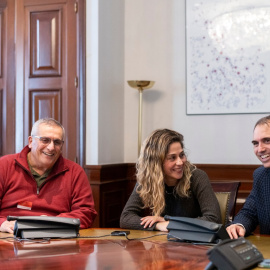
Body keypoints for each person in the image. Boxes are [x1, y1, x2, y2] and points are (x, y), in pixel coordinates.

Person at [0, 118, 97, 233]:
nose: (51, 147)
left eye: (57, 142)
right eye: (45, 140)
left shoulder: (75, 172)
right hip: (9, 236)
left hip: (55, 236)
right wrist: (2, 224)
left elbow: (86, 212)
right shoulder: (4, 165)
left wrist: (52, 222)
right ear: (30, 141)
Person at [120, 129, 221, 231]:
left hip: (194, 243)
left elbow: (214, 219)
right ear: (156, 163)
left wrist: (170, 223)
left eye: (181, 155)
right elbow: (126, 218)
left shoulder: (197, 177)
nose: (180, 162)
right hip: (163, 243)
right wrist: (158, 225)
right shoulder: (148, 179)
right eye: (172, 158)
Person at [226, 115, 270, 239]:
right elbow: (249, 212)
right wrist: (239, 225)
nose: (260, 149)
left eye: (267, 140)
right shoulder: (260, 175)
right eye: (256, 143)